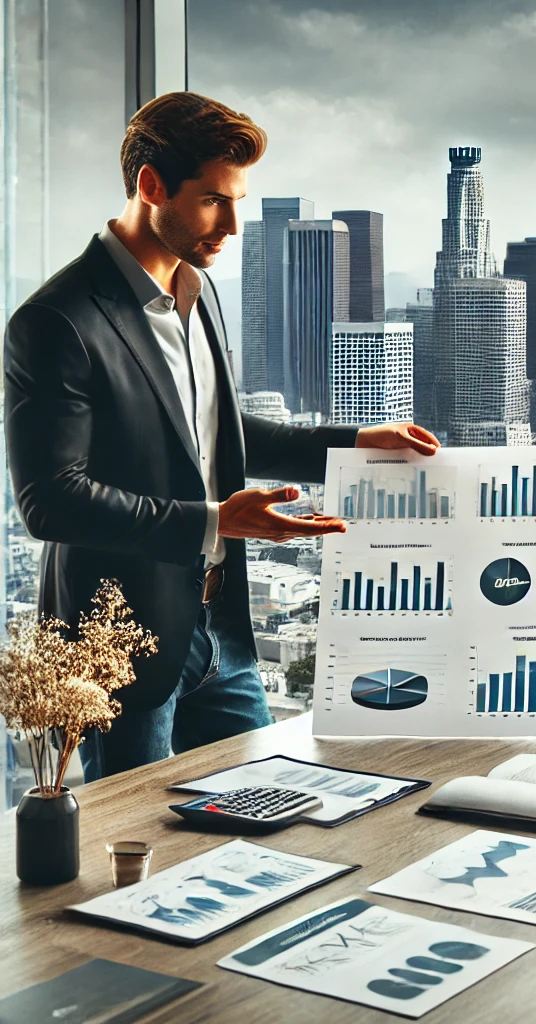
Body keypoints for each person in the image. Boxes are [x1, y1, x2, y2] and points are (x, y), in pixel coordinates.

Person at [3, 92, 440, 783]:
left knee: (269, 804)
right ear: (152, 186)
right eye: (213, 201)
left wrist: (357, 442)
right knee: (136, 857)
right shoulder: (55, 322)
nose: (233, 225)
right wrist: (215, 522)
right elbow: (51, 501)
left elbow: (221, 435)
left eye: (237, 200)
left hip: (221, 634)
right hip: (121, 649)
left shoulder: (197, 292)